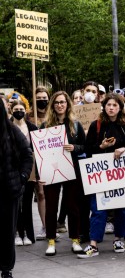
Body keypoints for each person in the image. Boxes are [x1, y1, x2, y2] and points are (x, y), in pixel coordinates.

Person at [78, 93, 125, 258]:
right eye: (109, 105)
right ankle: (93, 244)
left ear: (120, 108)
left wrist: (124, 149)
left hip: (120, 174)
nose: (112, 108)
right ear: (104, 107)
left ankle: (118, 239)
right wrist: (101, 146)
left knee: (122, 208)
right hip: (101, 175)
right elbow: (87, 149)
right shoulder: (97, 125)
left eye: (115, 105)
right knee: (97, 209)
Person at [40, 91, 86, 256]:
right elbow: (39, 152)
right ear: (53, 105)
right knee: (51, 207)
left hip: (72, 169)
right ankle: (51, 241)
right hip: (51, 171)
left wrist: (75, 148)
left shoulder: (76, 125)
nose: (60, 105)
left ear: (68, 104)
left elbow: (85, 146)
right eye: (57, 102)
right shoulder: (45, 126)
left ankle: (75, 239)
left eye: (63, 102)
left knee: (73, 206)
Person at [0, 97, 33, 278]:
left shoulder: (11, 130)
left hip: (8, 190)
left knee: (6, 231)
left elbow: (28, 156)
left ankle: (6, 269)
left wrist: (21, 178)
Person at [11, 100, 37, 247]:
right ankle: (16, 233)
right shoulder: (7, 127)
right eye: (16, 108)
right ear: (11, 110)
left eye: (21, 108)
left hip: (30, 170)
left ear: (26, 111)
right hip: (13, 170)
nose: (19, 111)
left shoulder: (32, 128)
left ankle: (27, 233)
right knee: (15, 204)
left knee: (27, 204)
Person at [27, 86, 49, 241]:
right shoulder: (28, 116)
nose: (42, 100)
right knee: (36, 193)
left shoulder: (52, 115)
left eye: (44, 98)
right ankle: (41, 226)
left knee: (46, 193)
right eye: (38, 98)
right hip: (32, 158)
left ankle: (50, 224)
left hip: (48, 158)